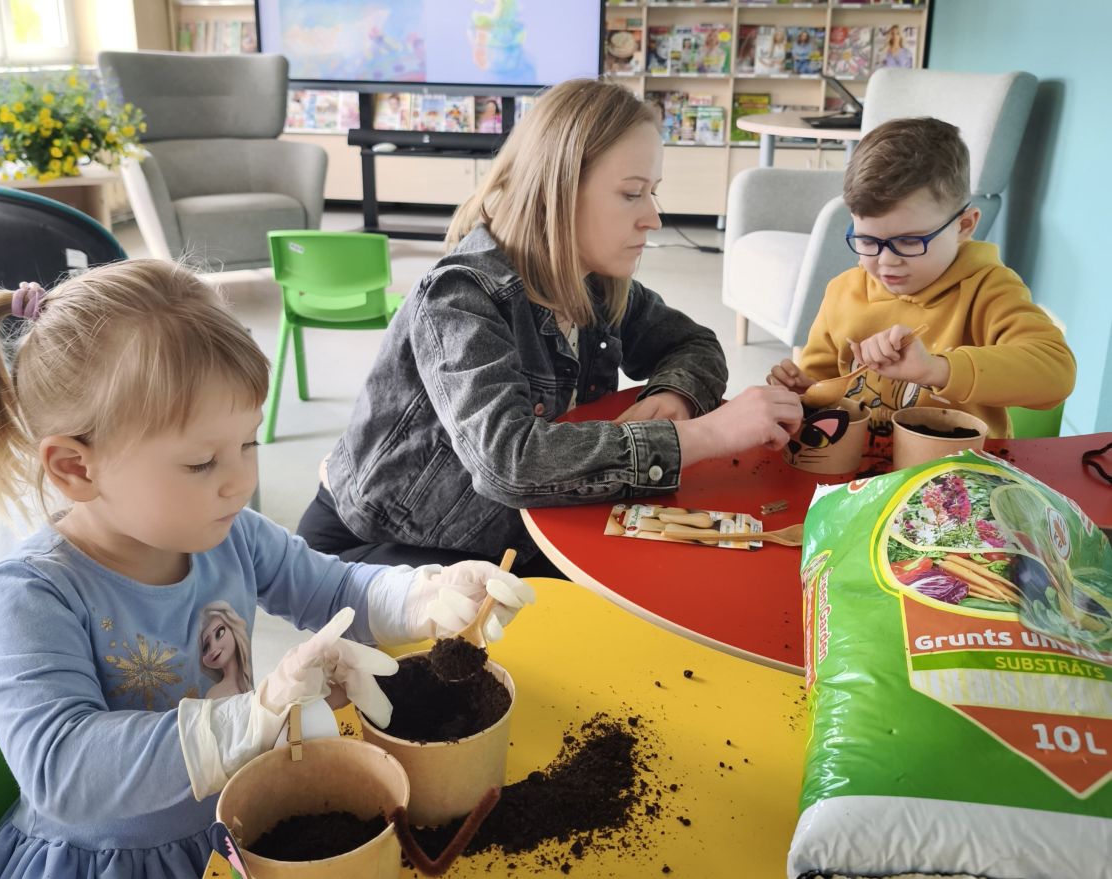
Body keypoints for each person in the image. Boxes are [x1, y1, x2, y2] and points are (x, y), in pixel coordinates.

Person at [0, 262, 533, 879]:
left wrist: (423, 595)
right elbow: (63, 768)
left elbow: (336, 587)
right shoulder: (31, 593)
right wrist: (254, 715)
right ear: (76, 469)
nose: (241, 481)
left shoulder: (229, 535)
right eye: (200, 463)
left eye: (248, 444)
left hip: (234, 825)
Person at [298, 78, 802, 577]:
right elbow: (510, 463)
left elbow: (693, 344)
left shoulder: (594, 283)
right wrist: (706, 434)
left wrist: (678, 396)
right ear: (555, 193)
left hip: (513, 532)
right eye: (632, 194)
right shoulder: (460, 296)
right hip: (377, 550)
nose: (653, 217)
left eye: (654, 193)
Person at [768, 117, 1075, 456]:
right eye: (868, 240)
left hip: (960, 481)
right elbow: (825, 390)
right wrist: (807, 391)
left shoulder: (989, 288)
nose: (886, 262)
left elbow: (1057, 373)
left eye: (910, 241)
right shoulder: (844, 291)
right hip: (859, 476)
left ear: (964, 225)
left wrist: (936, 369)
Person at [198, 601, 252, 698]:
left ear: (233, 628)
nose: (213, 647)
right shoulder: (215, 693)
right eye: (206, 647)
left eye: (219, 633)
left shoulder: (246, 682)